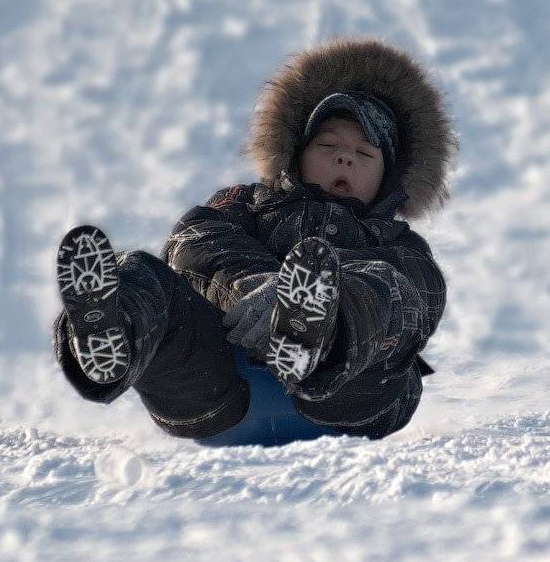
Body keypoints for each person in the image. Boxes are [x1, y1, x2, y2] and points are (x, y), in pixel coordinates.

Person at [52, 37, 458, 445]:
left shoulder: (402, 246)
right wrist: (255, 284)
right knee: (141, 272)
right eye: (328, 145)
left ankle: (317, 330)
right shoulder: (247, 204)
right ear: (297, 155)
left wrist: (319, 301)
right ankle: (112, 331)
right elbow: (197, 242)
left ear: (388, 177)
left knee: (387, 287)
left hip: (347, 404)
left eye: (364, 154)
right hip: (218, 391)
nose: (344, 159)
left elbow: (421, 297)